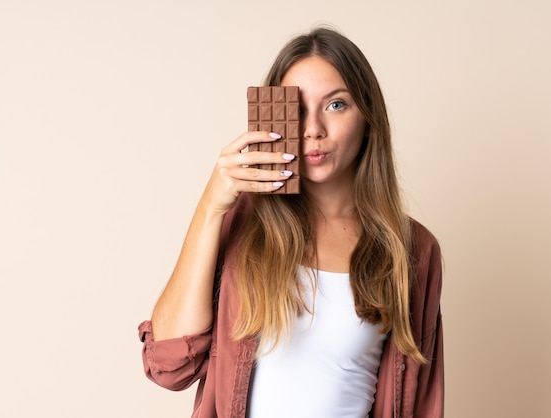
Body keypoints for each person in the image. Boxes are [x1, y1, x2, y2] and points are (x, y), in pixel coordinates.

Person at [138, 27, 444, 418]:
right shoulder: (242, 223)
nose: (313, 129)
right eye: (297, 109)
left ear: (367, 117)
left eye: (336, 105)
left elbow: (421, 402)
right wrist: (211, 206)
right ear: (274, 116)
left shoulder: (412, 248)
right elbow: (169, 366)